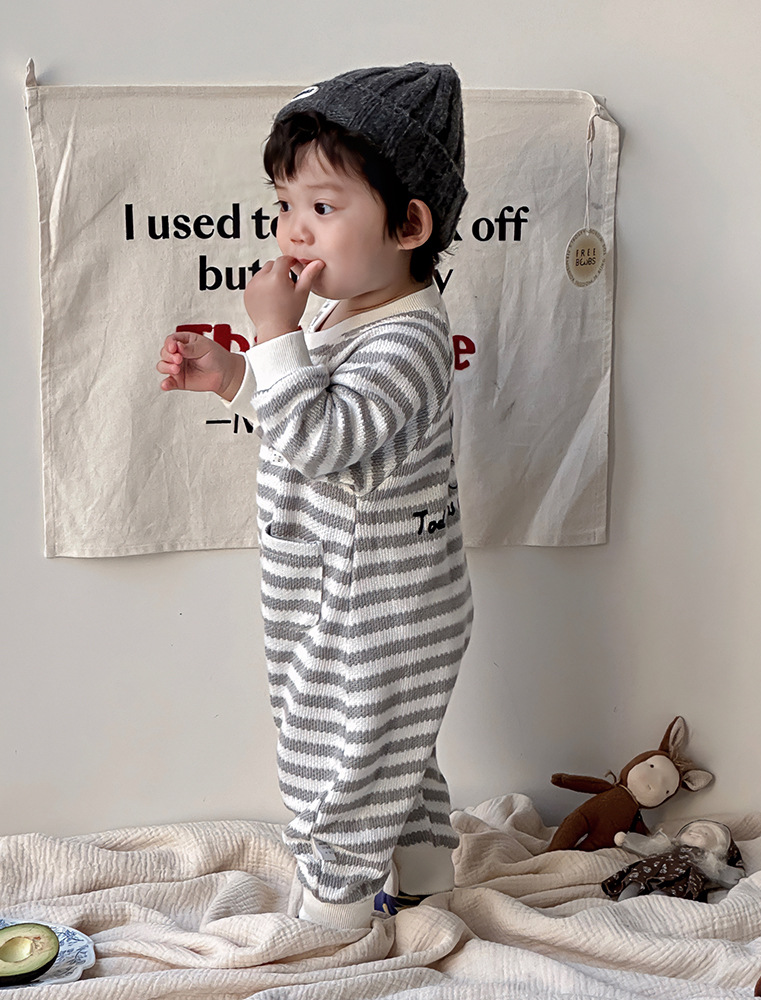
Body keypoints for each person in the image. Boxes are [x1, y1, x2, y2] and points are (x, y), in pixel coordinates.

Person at [156, 63, 473, 931]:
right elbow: (307, 417)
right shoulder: (345, 314)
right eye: (285, 205)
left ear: (409, 224)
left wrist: (272, 332)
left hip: (379, 606)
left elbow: (328, 443)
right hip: (341, 587)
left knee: (342, 759)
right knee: (390, 754)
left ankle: (331, 920)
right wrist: (236, 376)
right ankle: (423, 877)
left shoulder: (408, 340)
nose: (295, 231)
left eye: (324, 209)